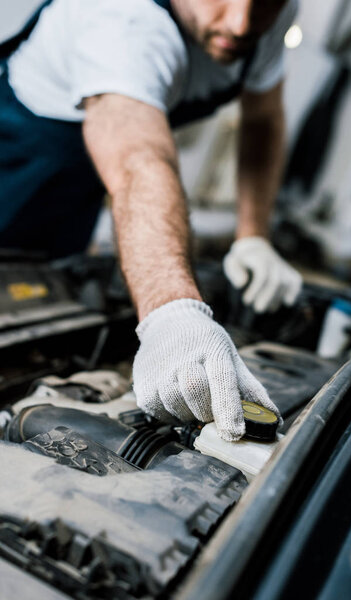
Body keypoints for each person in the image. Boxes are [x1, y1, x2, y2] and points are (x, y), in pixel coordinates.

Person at [0, 0, 302, 440]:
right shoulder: (122, 18)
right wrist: (172, 313)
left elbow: (263, 117)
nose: (240, 24)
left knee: (48, 302)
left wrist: (253, 235)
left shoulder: (269, 17)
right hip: (13, 166)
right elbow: (138, 161)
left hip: (76, 193)